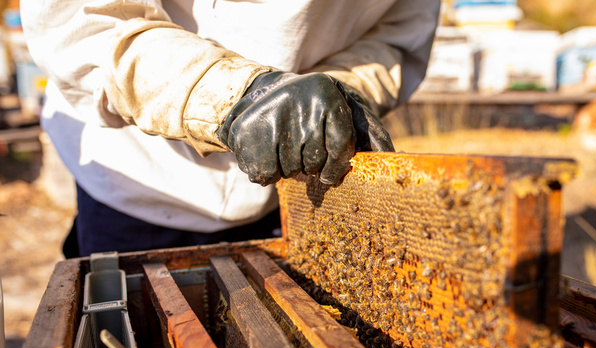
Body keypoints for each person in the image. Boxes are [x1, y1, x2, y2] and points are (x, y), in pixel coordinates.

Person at [20, 1, 441, 257]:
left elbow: (397, 34)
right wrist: (233, 95)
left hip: (292, 189)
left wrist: (345, 90)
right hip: (141, 176)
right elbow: (83, 21)